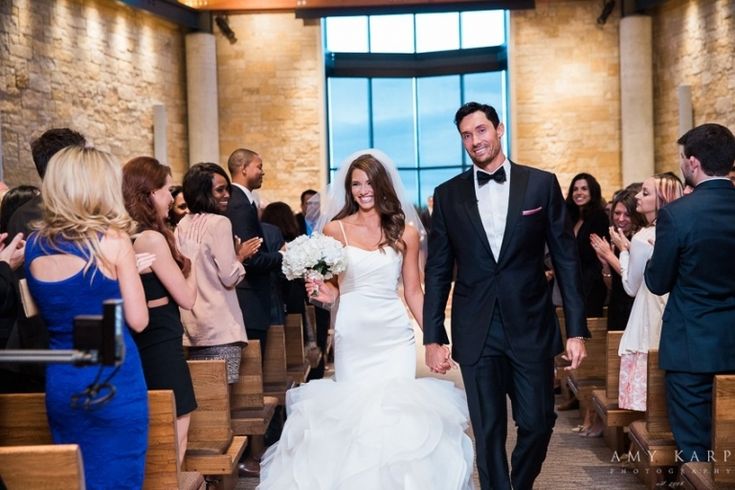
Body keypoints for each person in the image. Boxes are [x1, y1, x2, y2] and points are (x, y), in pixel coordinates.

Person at [258, 150, 474, 490]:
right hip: (353, 333)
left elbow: (414, 291)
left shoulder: (406, 231)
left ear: (383, 184)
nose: (363, 190)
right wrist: (323, 292)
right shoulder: (334, 229)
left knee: (393, 417)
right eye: (356, 184)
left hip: (393, 335)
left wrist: (435, 338)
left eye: (369, 182)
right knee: (354, 417)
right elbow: (332, 289)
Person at [423, 102, 589, 490]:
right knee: (488, 429)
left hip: (530, 324)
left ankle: (521, 483)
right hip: (475, 328)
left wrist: (576, 330)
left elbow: (566, 259)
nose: (475, 141)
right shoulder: (448, 195)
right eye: (466, 135)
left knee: (538, 421)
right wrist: (433, 335)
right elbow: (438, 269)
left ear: (499, 129)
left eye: (481, 130)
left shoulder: (540, 184)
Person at [24, 145, 149, 489]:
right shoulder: (113, 240)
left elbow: (50, 309)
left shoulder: (34, 245)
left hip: (63, 381)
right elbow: (138, 321)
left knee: (76, 481)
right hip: (114, 379)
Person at [645, 123, 735, 462]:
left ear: (693, 163)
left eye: (683, 158)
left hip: (691, 346)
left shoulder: (677, 215)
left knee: (695, 449)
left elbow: (658, 281)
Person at [122, 156, 198, 463]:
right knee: (176, 430)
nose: (171, 197)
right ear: (150, 193)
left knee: (157, 432)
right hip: (161, 342)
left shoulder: (128, 234)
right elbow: (188, 299)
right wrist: (192, 262)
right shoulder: (151, 239)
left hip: (144, 340)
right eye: (167, 189)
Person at [176, 163, 261, 385]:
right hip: (221, 326)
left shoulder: (182, 224)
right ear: (202, 193)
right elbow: (229, 276)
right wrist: (240, 256)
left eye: (227, 190)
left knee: (206, 406)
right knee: (223, 403)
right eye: (220, 190)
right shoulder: (220, 223)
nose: (226, 196)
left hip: (192, 324)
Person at [225, 149, 283, 358]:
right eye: (258, 166)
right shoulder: (239, 204)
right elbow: (252, 258)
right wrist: (283, 256)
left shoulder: (241, 200)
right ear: (243, 168)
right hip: (249, 299)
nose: (262, 172)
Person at [591, 190, 647, 332]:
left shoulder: (640, 239)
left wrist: (609, 255)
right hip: (616, 306)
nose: (621, 219)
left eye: (627, 215)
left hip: (635, 307)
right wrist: (605, 265)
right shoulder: (612, 238)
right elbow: (612, 285)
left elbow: (633, 279)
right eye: (617, 213)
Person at [566, 172, 610, 317]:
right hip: (572, 283)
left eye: (584, 189)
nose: (579, 192)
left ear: (593, 191)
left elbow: (596, 255)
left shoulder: (599, 217)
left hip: (592, 284)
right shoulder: (570, 218)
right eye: (575, 189)